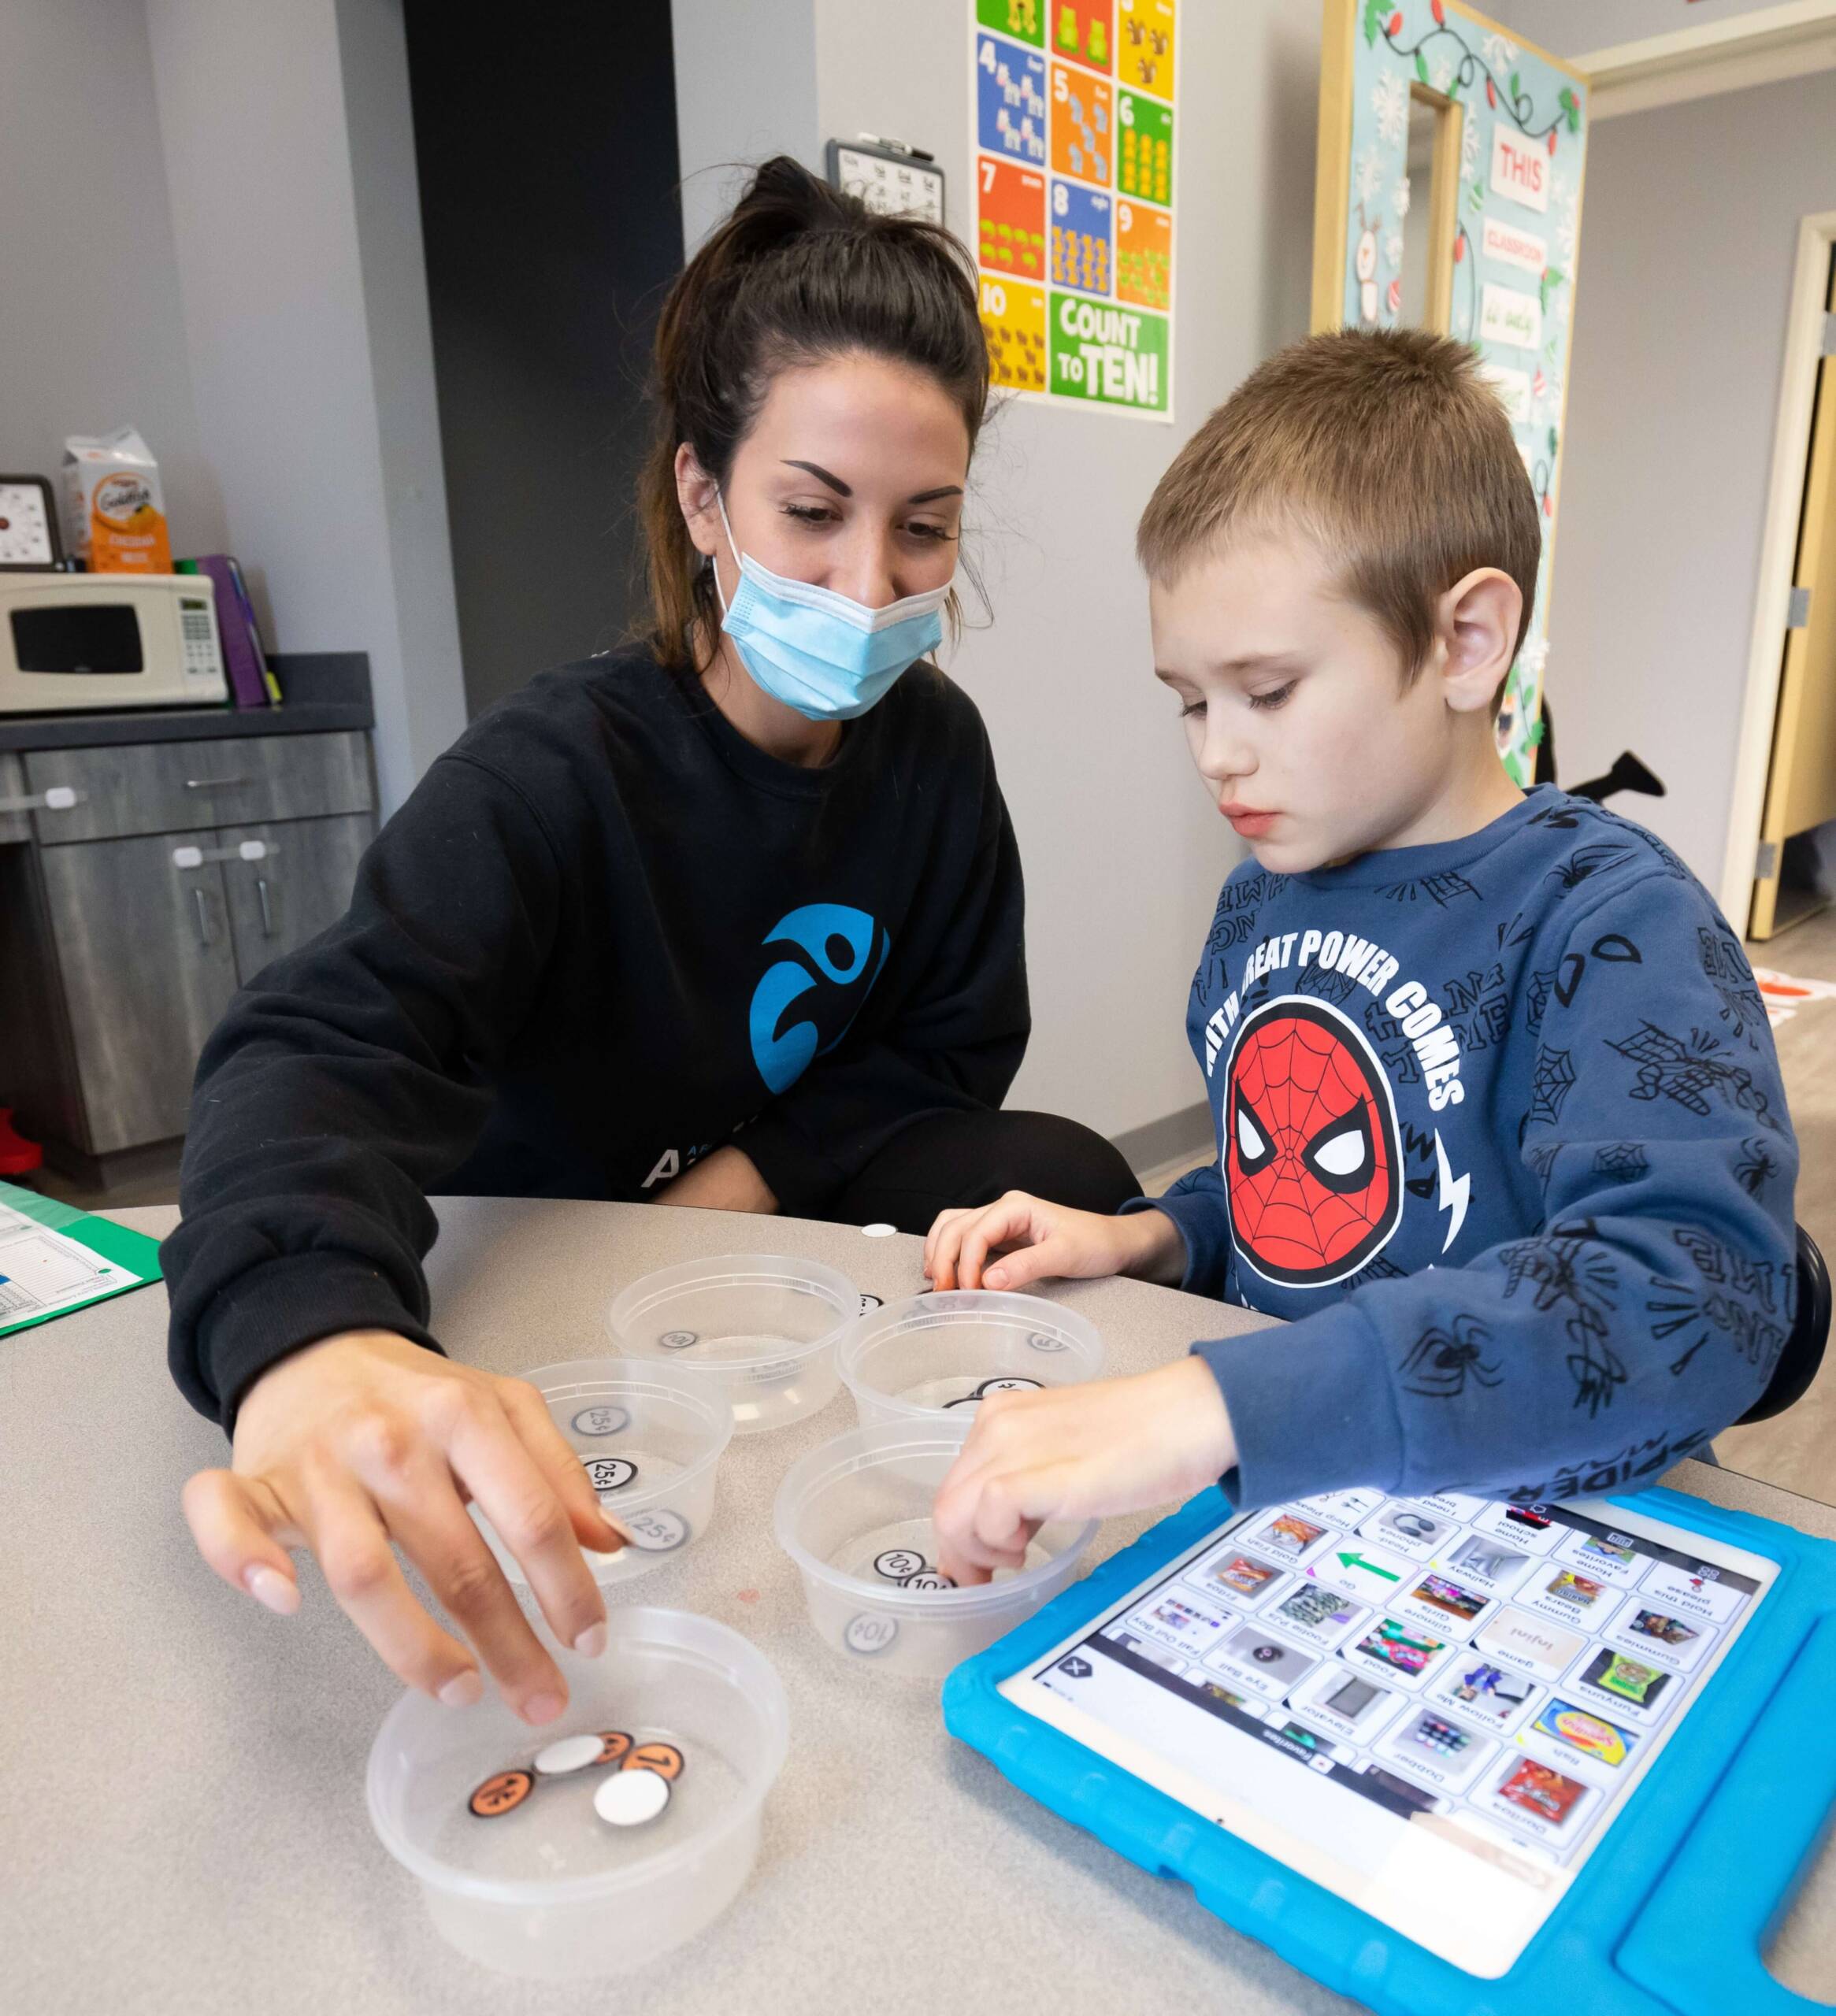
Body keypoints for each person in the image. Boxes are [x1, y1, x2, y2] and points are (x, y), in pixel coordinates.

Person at [163, 156, 1136, 1721]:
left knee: (1066, 1175)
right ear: (702, 496)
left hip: (762, 1245)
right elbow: (315, 1046)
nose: (867, 585)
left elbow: (952, 1044)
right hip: (545, 1260)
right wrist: (307, 1337)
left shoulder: (934, 752)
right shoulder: (556, 774)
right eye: (809, 513)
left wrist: (737, 1184)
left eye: (923, 529)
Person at [925, 328, 1798, 1583]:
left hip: (1547, 1550)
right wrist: (1155, 1239)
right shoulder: (1259, 908)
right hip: (1303, 1528)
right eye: (1191, 700)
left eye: (1269, 691)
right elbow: (1305, 1200)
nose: (1218, 751)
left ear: (1465, 642)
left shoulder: (1612, 924)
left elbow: (1698, 1301)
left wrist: (1218, 1407)